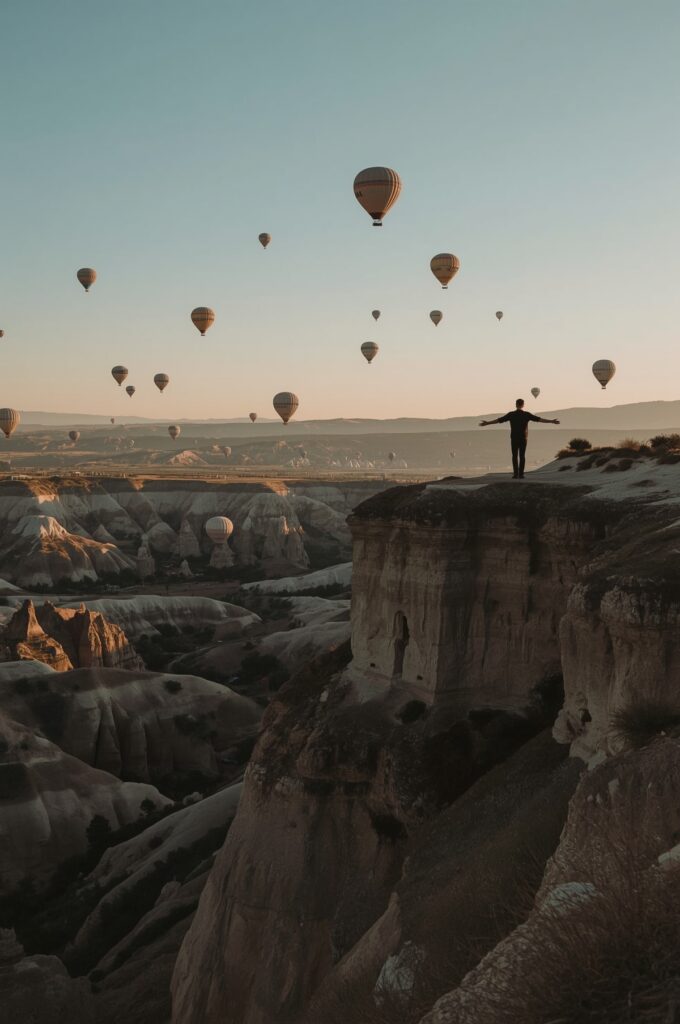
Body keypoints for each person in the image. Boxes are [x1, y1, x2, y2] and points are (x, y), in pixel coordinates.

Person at [479, 399, 560, 479]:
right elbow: (539, 419)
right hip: (523, 438)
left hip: (514, 438)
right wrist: (552, 421)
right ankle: (521, 474)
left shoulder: (511, 414)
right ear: (523, 405)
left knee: (514, 456)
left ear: (516, 404)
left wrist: (487, 423)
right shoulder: (526, 414)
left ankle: (515, 474)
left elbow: (499, 420)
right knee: (522, 456)